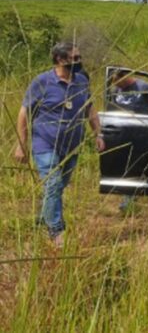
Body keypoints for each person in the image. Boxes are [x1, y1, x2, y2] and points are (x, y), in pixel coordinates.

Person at [14, 42, 104, 247]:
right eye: (74, 59)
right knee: (53, 184)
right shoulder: (42, 82)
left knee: (58, 186)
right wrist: (21, 144)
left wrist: (99, 133)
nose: (78, 62)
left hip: (72, 145)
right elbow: (23, 114)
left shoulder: (81, 80)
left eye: (79, 57)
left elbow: (89, 108)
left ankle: (44, 215)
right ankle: (56, 231)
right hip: (44, 143)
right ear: (59, 60)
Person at [110, 70, 148, 215]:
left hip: (145, 134)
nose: (117, 85)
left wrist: (147, 116)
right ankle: (128, 202)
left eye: (118, 81)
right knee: (128, 168)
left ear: (125, 76)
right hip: (125, 134)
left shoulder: (143, 86)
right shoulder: (117, 89)